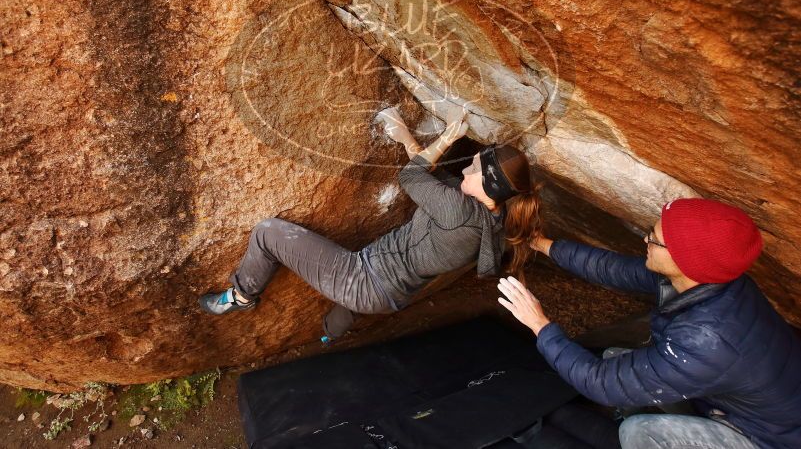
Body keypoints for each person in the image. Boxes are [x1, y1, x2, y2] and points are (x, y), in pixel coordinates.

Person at [199, 106, 543, 341]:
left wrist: (450, 137)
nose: (467, 166)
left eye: (475, 167)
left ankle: (241, 295)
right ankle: (329, 335)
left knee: (267, 232)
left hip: (364, 279)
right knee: (348, 306)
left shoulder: (459, 212)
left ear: (490, 186)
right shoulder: (490, 216)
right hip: (392, 293)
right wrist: (406, 137)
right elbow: (430, 175)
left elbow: (413, 175)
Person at [497, 198, 801, 449]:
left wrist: (540, 324)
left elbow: (600, 382)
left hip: (765, 439)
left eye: (654, 239)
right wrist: (539, 243)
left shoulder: (708, 340)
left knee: (639, 432)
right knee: (616, 357)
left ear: (685, 261)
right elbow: (609, 268)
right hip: (740, 404)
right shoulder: (711, 280)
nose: (645, 239)